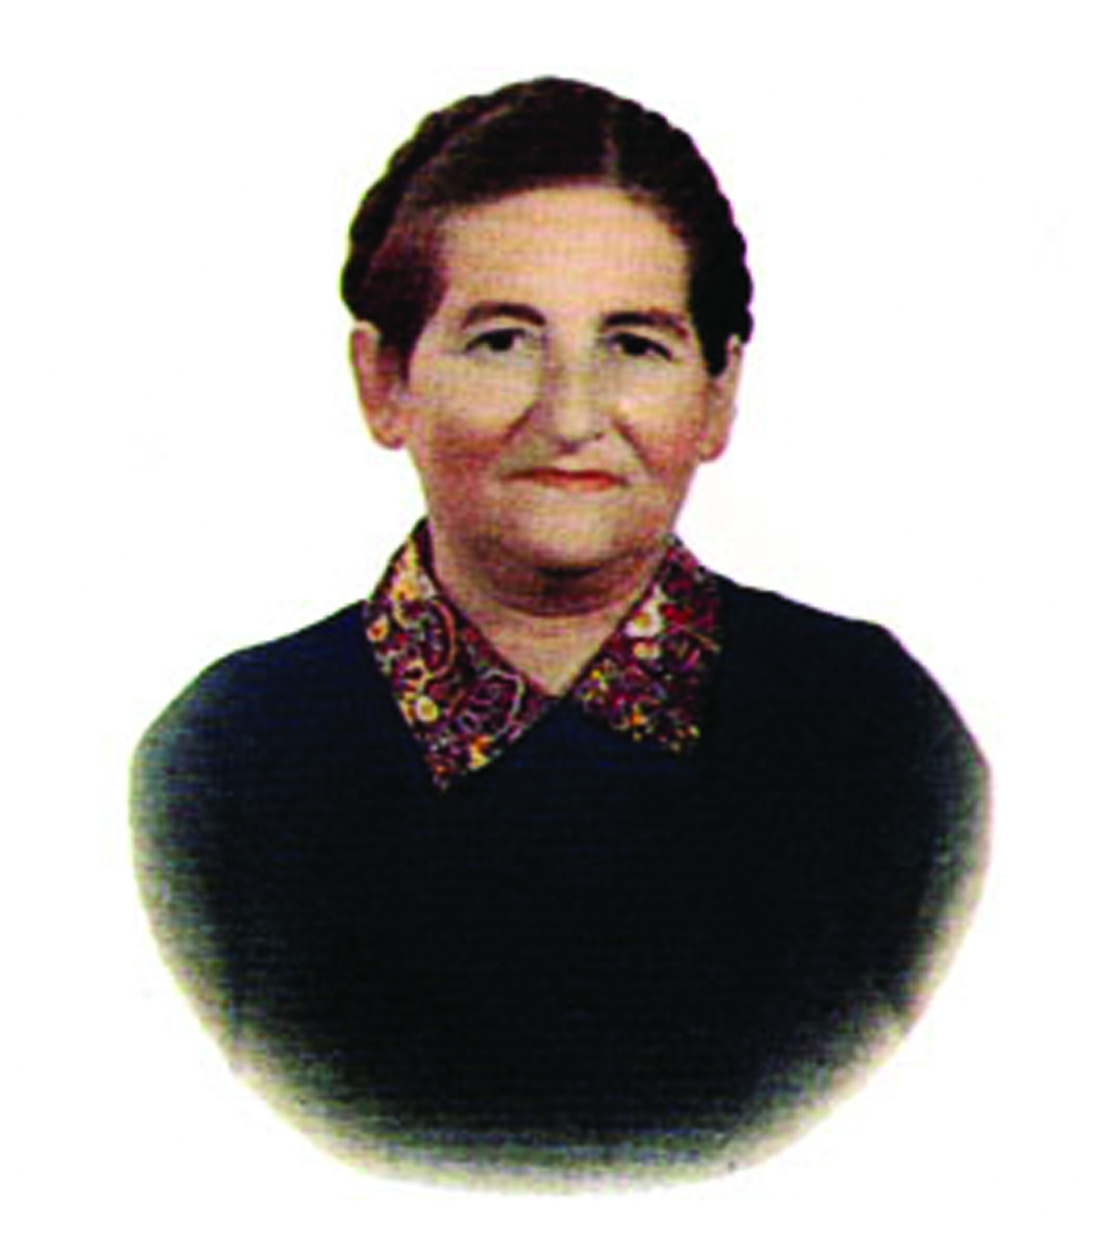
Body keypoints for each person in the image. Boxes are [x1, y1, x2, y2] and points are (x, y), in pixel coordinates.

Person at [131, 77, 988, 1184]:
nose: (574, 415)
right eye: (502, 342)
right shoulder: (226, 759)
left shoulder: (877, 735)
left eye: (635, 344)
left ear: (719, 390)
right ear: (384, 381)